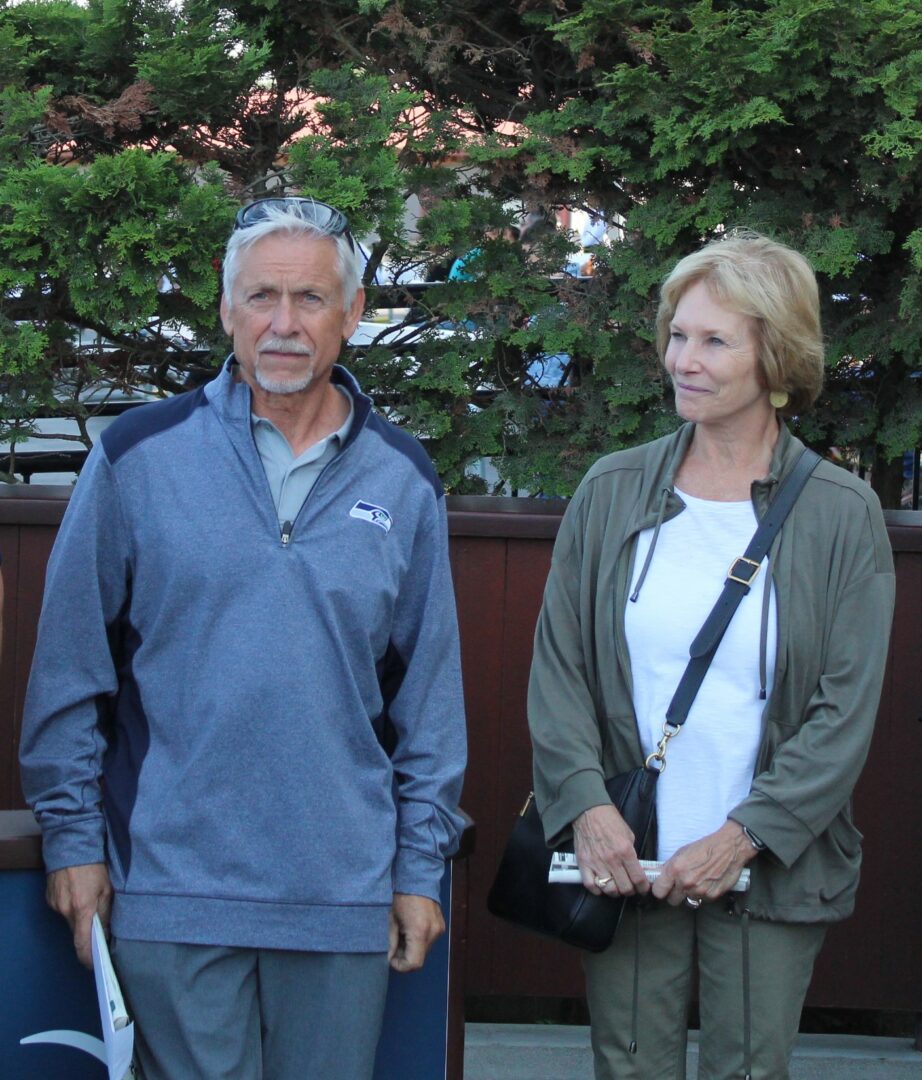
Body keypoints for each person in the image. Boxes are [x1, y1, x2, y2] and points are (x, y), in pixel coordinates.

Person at [19, 197, 467, 1080]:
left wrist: (419, 868)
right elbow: (69, 670)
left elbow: (431, 703)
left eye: (310, 299)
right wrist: (73, 841)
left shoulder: (403, 480)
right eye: (262, 296)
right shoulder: (140, 457)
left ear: (352, 312)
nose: (283, 324)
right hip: (172, 893)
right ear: (226, 309)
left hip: (341, 900)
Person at [527, 230, 894, 1080]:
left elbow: (843, 714)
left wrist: (743, 836)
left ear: (777, 356)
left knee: (748, 1071)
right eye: (678, 335)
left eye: (715, 341)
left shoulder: (841, 514)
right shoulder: (611, 490)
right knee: (629, 1069)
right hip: (628, 856)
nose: (683, 361)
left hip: (766, 868)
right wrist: (588, 809)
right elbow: (560, 671)